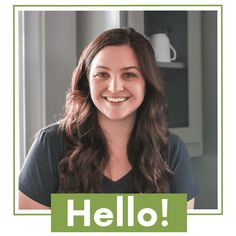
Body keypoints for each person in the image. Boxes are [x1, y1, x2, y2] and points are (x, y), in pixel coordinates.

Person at [19, 27, 198, 209]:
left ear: (147, 82)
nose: (114, 87)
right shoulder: (50, 143)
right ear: (86, 81)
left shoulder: (172, 151)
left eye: (129, 75)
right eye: (102, 75)